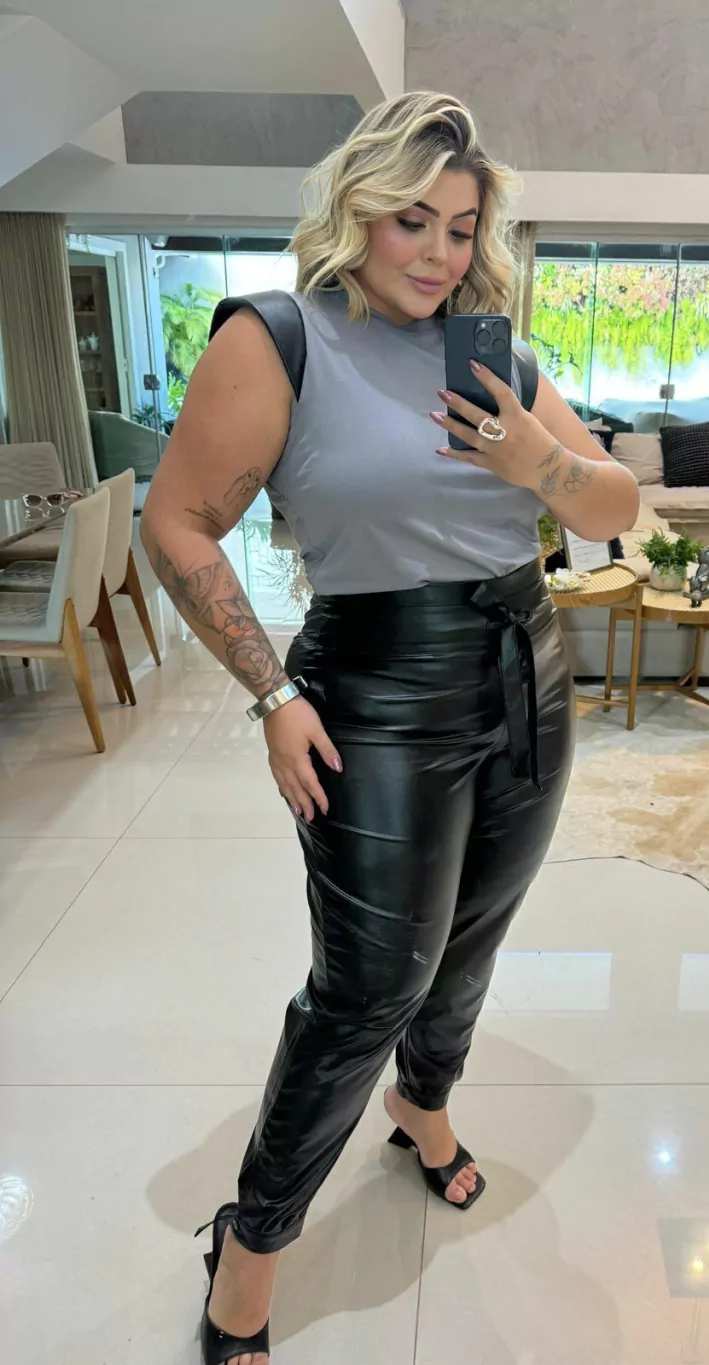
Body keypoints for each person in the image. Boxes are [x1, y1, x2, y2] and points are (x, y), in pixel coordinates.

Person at [140, 90, 638, 1365]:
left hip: (525, 669)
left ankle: (421, 1110)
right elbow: (177, 520)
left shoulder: (495, 354)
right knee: (367, 986)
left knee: (471, 941)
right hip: (375, 686)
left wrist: (534, 461)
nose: (439, 252)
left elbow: (611, 506)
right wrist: (273, 694)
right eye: (412, 220)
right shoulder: (278, 338)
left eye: (462, 228)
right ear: (356, 212)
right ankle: (250, 1246)